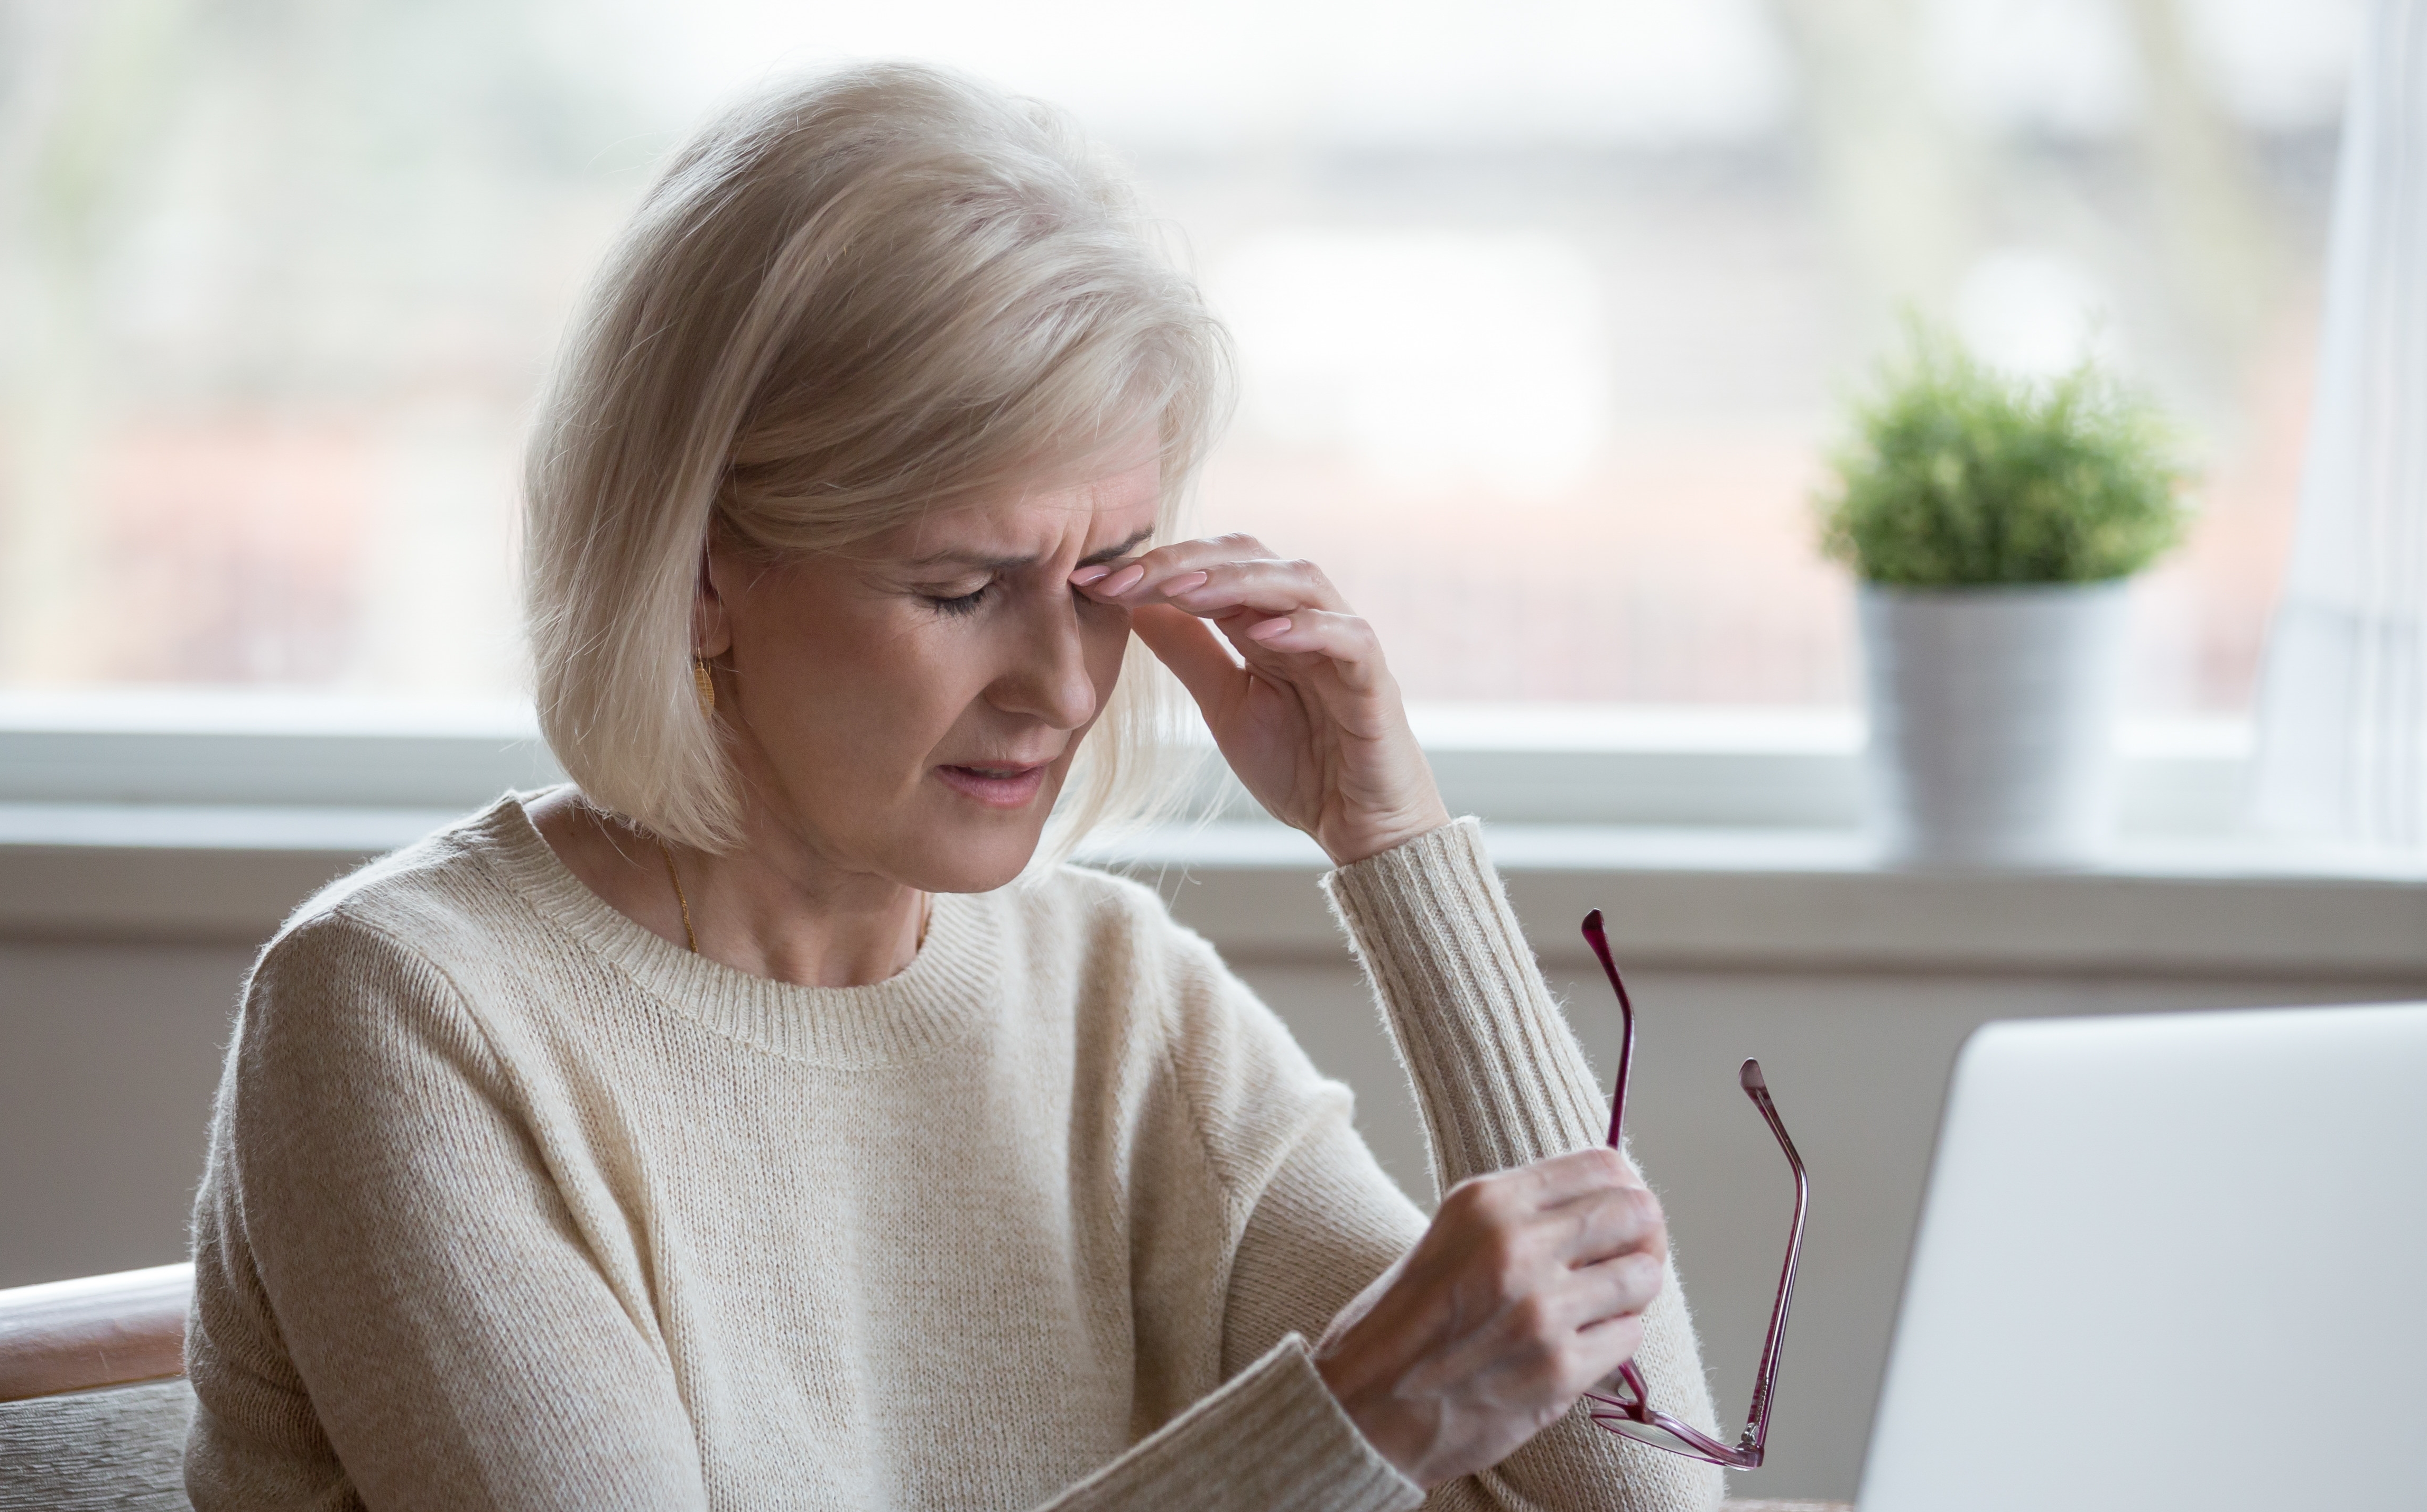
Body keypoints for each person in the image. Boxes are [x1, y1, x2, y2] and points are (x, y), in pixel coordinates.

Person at [182, 61, 1724, 1512]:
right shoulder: (403, 1017)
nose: (1060, 686)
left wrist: (1394, 845)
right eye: (962, 586)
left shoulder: (1112, 1000)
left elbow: (1639, 1489)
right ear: (703, 573)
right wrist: (1346, 1432)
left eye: (1103, 579)